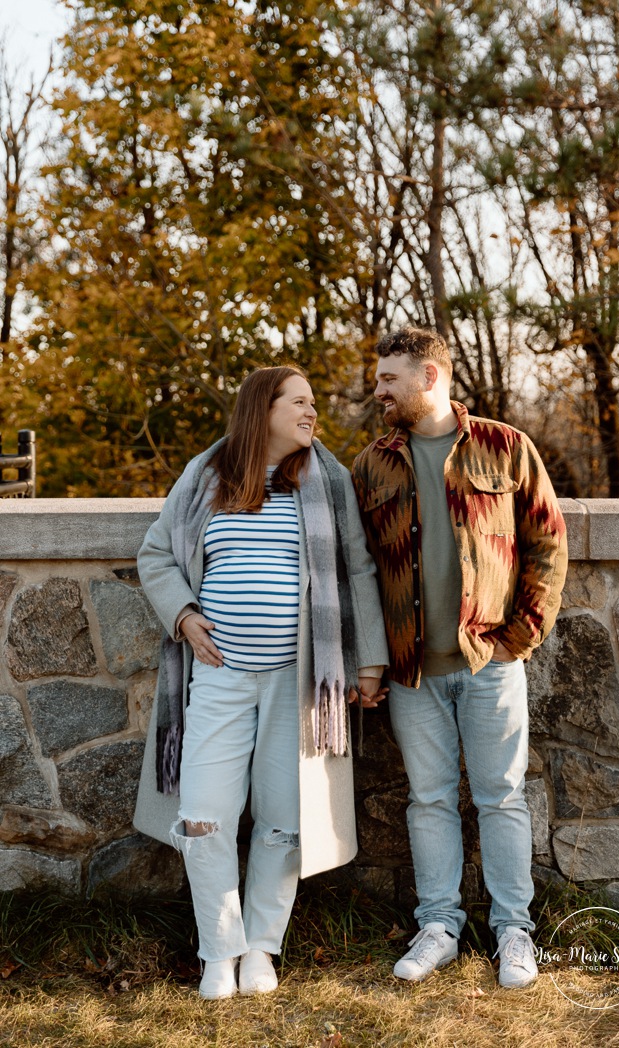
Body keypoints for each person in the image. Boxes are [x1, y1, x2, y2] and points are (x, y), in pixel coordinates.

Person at [133, 366, 388, 1000]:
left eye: (312, 404)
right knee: (203, 816)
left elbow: (357, 568)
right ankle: (218, 951)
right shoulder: (204, 476)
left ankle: (261, 947)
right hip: (217, 677)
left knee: (284, 819)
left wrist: (369, 661)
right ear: (262, 409)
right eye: (299, 402)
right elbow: (157, 553)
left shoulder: (327, 480)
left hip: (298, 684)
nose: (312, 414)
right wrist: (185, 616)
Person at [351, 328, 567, 989]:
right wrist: (371, 658)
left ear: (429, 376)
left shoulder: (505, 447)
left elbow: (546, 543)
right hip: (412, 670)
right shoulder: (370, 465)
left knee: (502, 797)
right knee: (429, 801)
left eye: (389, 378)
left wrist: (518, 638)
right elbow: (355, 566)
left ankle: (512, 932)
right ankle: (438, 926)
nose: (377, 389)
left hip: (490, 662)